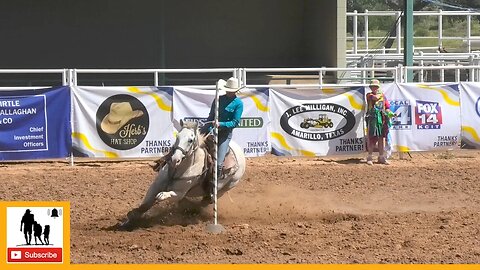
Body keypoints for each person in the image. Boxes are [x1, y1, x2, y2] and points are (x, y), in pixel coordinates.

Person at [201, 77, 244, 202]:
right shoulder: (218, 99)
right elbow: (211, 116)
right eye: (228, 90)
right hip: (211, 130)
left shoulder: (238, 104)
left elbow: (235, 122)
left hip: (224, 134)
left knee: (219, 163)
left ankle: (213, 187)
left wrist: (221, 124)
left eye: (232, 90)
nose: (229, 92)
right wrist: (206, 126)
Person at [365, 79, 395, 165]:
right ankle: (369, 157)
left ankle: (381, 157)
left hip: (382, 119)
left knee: (381, 138)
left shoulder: (383, 96)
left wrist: (390, 113)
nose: (374, 88)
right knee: (371, 138)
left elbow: (387, 107)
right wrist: (380, 95)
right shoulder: (369, 95)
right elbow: (376, 98)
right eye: (372, 86)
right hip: (372, 119)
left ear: (378, 87)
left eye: (375, 86)